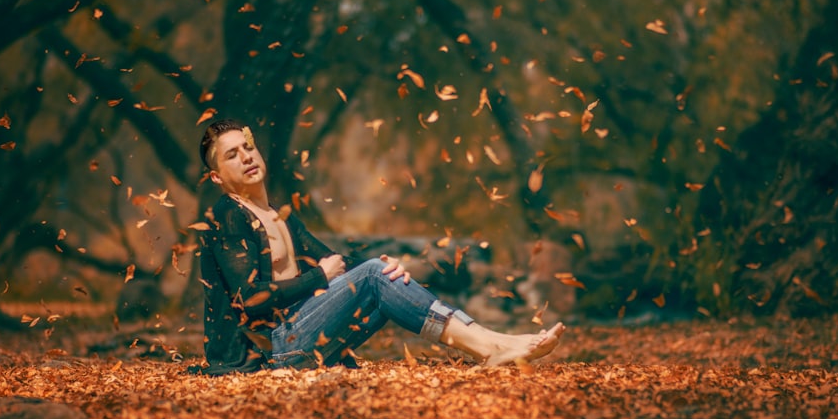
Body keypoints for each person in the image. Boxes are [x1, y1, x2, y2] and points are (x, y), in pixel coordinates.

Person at [194, 118, 565, 375]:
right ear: (216, 176)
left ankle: (492, 341)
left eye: (248, 147)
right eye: (231, 155)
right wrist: (324, 277)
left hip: (298, 337)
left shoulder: (280, 216)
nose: (246, 156)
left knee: (376, 272)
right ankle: (489, 347)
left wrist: (387, 268)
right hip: (273, 351)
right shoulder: (228, 216)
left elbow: (336, 260)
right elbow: (249, 297)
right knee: (372, 276)